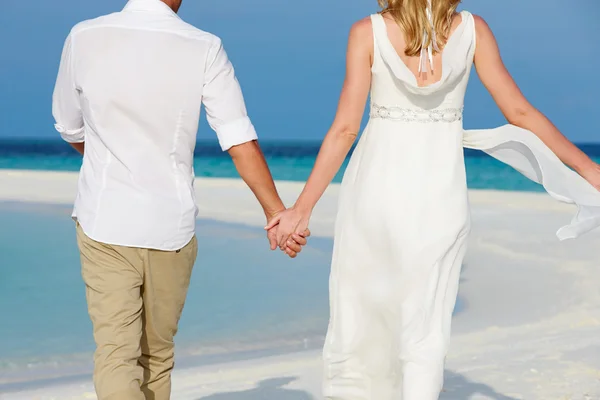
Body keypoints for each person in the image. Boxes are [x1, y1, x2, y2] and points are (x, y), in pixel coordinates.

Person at [267, 0, 600, 399]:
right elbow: (520, 112)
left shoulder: (367, 32)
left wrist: (300, 210)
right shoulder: (474, 31)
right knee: (425, 328)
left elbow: (344, 130)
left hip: (375, 196)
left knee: (360, 316)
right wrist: (588, 169)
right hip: (441, 197)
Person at [51, 0, 307, 399]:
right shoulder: (203, 45)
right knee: (157, 356)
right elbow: (238, 138)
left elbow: (68, 126)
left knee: (116, 354)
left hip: (105, 216)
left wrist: (110, 162)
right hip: (170, 223)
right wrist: (276, 211)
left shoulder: (84, 35)